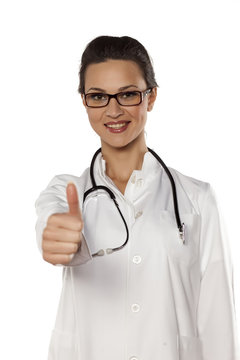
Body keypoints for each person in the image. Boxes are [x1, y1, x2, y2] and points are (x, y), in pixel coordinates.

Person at [35, 35, 240, 360]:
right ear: (85, 102)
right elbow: (51, 224)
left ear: (151, 97)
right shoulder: (67, 191)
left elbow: (218, 320)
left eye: (128, 94)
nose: (113, 110)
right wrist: (56, 236)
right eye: (98, 96)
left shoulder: (198, 199)